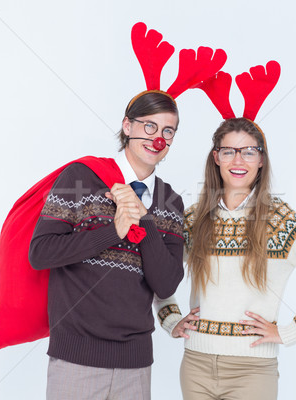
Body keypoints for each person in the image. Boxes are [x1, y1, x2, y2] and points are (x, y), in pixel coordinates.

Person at [154, 117, 296, 400]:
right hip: (195, 365)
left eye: (249, 151)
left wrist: (289, 333)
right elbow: (160, 273)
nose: (239, 160)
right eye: (229, 151)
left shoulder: (278, 219)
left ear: (261, 159)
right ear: (216, 158)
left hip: (252, 370)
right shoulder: (195, 218)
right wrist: (171, 320)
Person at [28, 91, 185, 400]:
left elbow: (165, 284)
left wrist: (146, 223)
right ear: (127, 126)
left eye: (168, 131)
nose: (158, 139)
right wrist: (114, 231)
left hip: (136, 366)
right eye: (149, 127)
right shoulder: (81, 178)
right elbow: (41, 252)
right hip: (75, 361)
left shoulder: (171, 203)